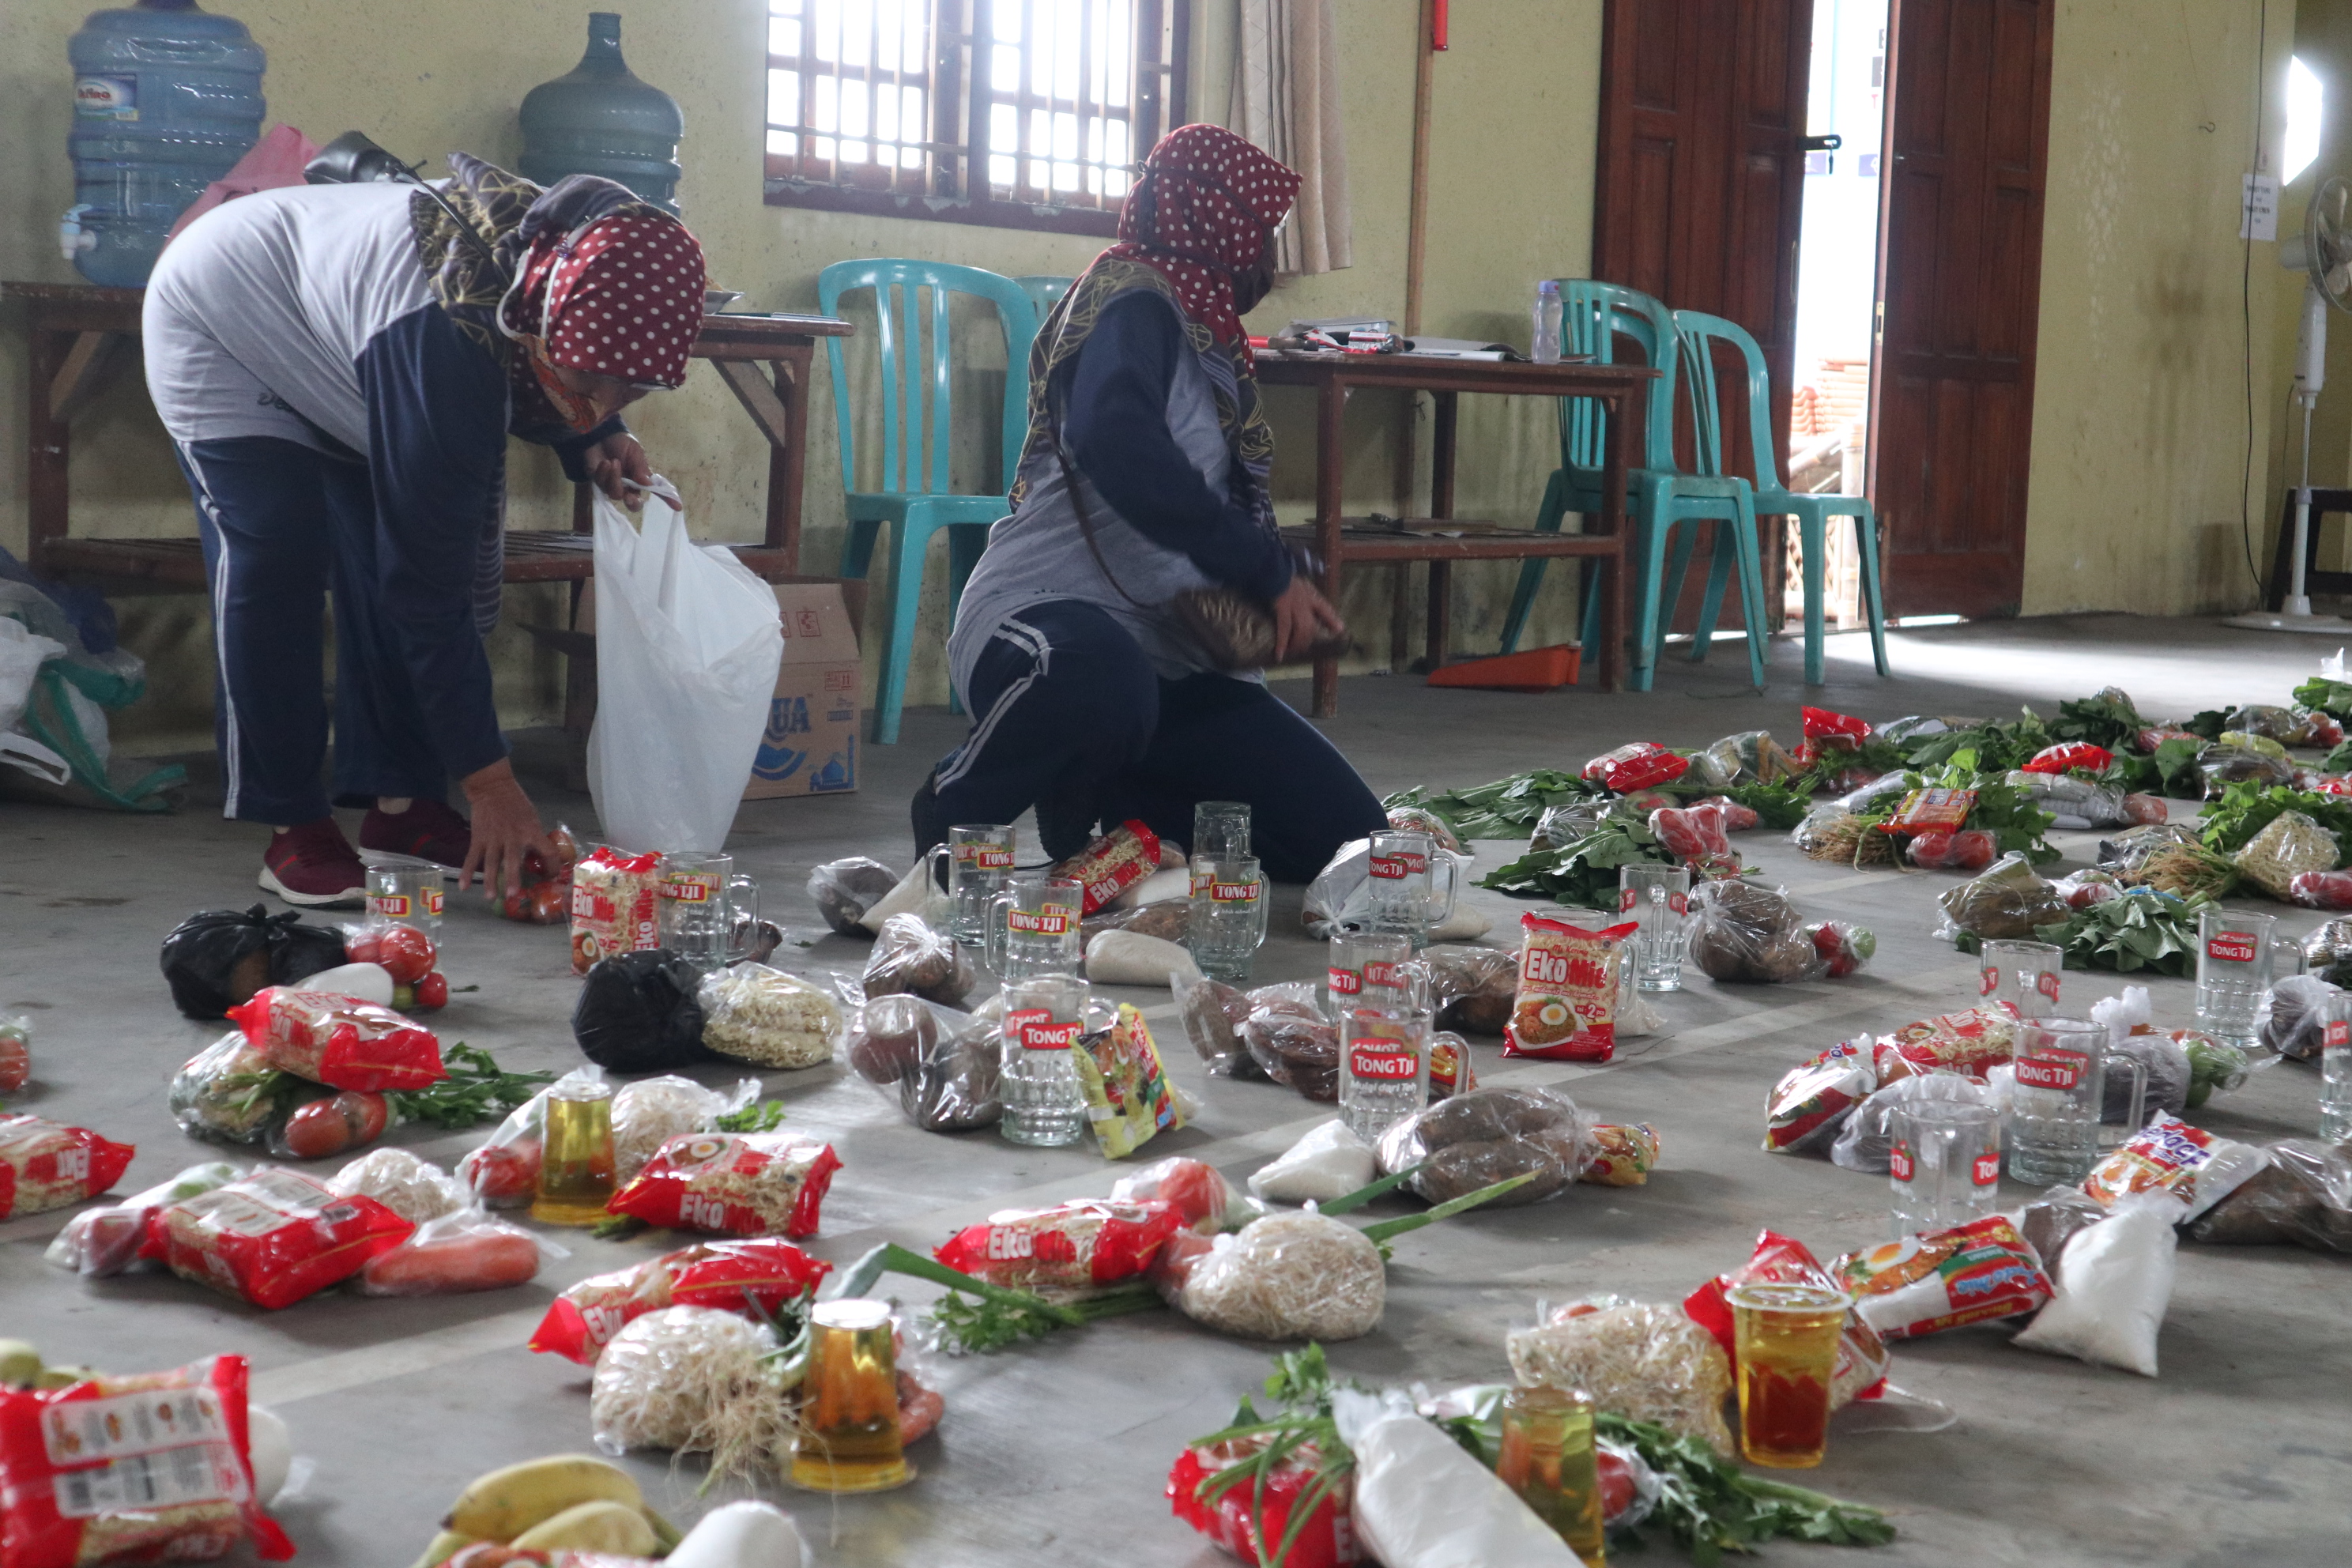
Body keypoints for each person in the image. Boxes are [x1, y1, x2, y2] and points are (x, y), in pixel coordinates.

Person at [144, 154, 707, 906]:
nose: (604, 399)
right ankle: (293, 825)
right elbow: (428, 588)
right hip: (225, 317)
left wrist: (591, 432)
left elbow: (570, 361)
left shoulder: (566, 259)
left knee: (391, 554)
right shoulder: (447, 336)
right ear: (541, 316)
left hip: (344, 336)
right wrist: (493, 782)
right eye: (586, 385)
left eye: (630, 389)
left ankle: (403, 809)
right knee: (277, 551)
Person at [915, 124, 1388, 881]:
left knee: (1345, 841)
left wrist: (1283, 578)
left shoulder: (1210, 339)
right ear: (1221, 226)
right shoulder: (1130, 304)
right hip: (1044, 619)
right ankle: (950, 817)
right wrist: (1258, 566)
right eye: (1260, 236)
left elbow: (1206, 499)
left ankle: (1119, 801)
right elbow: (1118, 442)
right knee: (1099, 680)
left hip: (1169, 654)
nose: (1265, 259)